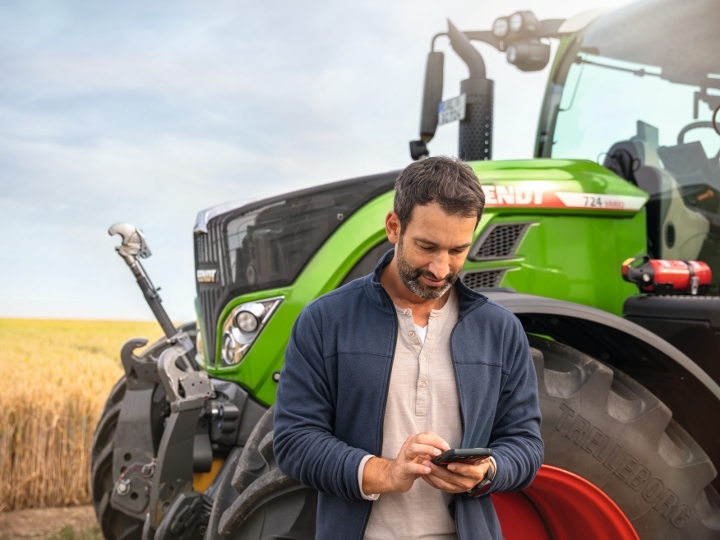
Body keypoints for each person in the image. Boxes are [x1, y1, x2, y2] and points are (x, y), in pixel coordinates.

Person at [274, 156, 543, 540]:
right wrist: (388, 472)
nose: (440, 268)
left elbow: (526, 445)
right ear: (394, 227)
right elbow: (294, 441)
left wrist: (488, 469)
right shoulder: (325, 321)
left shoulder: (501, 331)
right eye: (427, 246)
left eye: (457, 251)